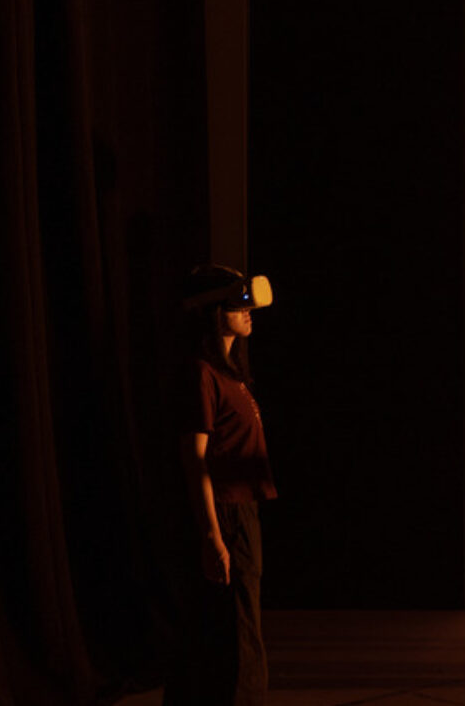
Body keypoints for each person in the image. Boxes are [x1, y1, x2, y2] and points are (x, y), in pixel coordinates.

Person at [166, 264, 278, 706]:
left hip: (241, 511)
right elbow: (194, 458)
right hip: (226, 515)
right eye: (238, 304)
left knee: (228, 632)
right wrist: (212, 534)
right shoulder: (202, 374)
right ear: (214, 312)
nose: (249, 312)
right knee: (236, 637)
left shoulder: (229, 373)